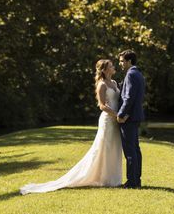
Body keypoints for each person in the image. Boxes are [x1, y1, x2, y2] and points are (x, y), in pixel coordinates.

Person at [20, 59, 122, 194]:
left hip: (116, 120)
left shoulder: (114, 83)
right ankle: (105, 179)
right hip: (108, 120)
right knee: (105, 148)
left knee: (115, 147)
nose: (114, 67)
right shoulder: (102, 85)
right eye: (111, 66)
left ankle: (114, 179)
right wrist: (116, 115)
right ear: (104, 70)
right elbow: (102, 105)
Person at [117, 50, 145, 189]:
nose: (120, 64)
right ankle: (136, 180)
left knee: (130, 151)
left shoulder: (131, 74)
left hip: (129, 117)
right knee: (135, 149)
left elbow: (129, 98)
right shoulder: (138, 73)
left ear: (129, 61)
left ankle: (132, 182)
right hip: (135, 116)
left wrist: (121, 114)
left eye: (122, 61)